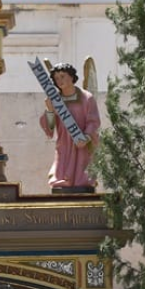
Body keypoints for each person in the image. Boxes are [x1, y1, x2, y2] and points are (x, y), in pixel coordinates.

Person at [39, 62, 100, 192]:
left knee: (82, 169)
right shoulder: (55, 100)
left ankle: (83, 182)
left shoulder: (86, 98)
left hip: (81, 143)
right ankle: (61, 181)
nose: (59, 80)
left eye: (62, 76)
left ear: (72, 77)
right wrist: (50, 110)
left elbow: (93, 121)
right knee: (61, 168)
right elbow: (49, 127)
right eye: (56, 78)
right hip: (64, 143)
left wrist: (87, 137)